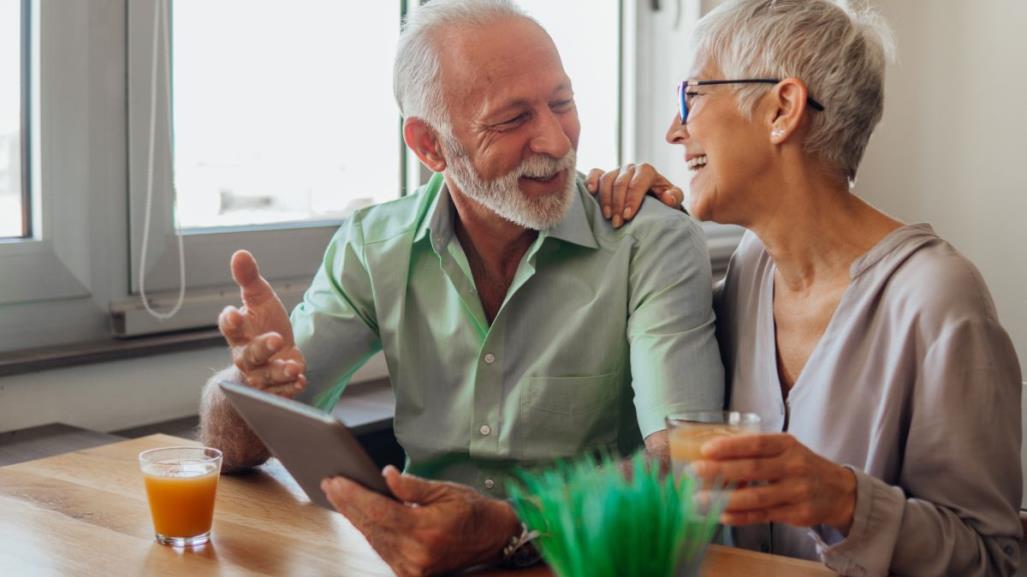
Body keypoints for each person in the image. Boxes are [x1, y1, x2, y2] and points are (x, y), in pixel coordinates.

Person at [199, 0, 724, 574]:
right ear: (430, 146)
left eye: (562, 103)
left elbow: (687, 463)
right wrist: (251, 386)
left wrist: (512, 528)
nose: (554, 140)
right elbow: (235, 450)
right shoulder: (373, 246)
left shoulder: (650, 242)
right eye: (512, 119)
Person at [587, 0, 1023, 575]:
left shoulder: (938, 300)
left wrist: (845, 500)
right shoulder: (749, 269)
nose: (674, 130)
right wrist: (643, 222)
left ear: (782, 109)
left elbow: (994, 560)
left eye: (690, 97)